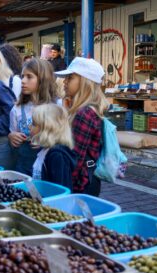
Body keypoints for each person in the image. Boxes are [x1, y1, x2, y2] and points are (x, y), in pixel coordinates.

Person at [55, 57, 109, 196]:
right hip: (88, 181)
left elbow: (76, 159)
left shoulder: (84, 114)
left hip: (81, 185)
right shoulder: (88, 110)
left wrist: (68, 190)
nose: (65, 82)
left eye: (70, 77)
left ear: (85, 82)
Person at [8, 58, 58, 175]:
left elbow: (65, 138)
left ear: (42, 79)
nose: (23, 81)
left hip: (49, 168)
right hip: (24, 168)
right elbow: (12, 133)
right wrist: (11, 136)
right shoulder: (17, 109)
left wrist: (48, 140)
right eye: (22, 76)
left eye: (29, 77)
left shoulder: (57, 107)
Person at [30, 104, 76, 190]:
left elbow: (60, 190)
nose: (30, 127)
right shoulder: (44, 150)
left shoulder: (57, 155)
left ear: (47, 128)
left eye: (34, 124)